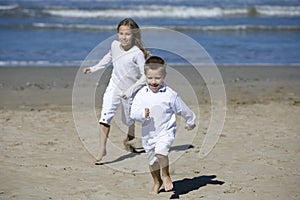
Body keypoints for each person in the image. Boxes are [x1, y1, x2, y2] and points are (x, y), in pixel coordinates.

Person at [83, 18, 149, 164]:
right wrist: (93, 68)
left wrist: (131, 90)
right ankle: (101, 150)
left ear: (134, 35)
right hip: (114, 86)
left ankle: (130, 133)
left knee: (128, 119)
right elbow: (109, 57)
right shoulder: (114, 45)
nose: (123, 37)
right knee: (105, 116)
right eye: (121, 34)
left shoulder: (137, 53)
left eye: (127, 34)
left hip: (130, 90)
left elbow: (144, 77)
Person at [130, 56, 196, 194]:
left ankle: (165, 175)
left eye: (157, 78)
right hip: (148, 134)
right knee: (152, 161)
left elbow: (183, 110)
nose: (153, 82)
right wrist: (142, 114)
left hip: (166, 131)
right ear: (145, 76)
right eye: (150, 78)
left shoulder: (170, 95)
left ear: (164, 76)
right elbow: (133, 113)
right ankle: (157, 181)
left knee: (161, 152)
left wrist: (190, 121)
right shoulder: (141, 94)